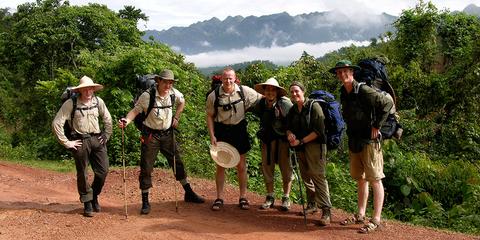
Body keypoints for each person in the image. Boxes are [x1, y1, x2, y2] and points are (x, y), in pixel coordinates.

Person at [118, 69, 205, 215]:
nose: (168, 85)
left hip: (167, 134)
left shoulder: (173, 94)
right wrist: (126, 121)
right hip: (150, 135)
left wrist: (176, 118)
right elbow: (135, 111)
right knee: (146, 167)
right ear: (158, 81)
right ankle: (145, 201)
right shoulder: (147, 96)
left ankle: (188, 193)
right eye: (165, 82)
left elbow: (182, 102)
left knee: (178, 163)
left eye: (170, 82)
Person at [329, 60, 393, 233]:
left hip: (370, 141)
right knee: (361, 178)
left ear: (352, 72)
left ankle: (376, 219)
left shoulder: (364, 90)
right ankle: (360, 214)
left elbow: (387, 104)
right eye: (339, 72)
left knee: (375, 178)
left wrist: (377, 125)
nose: (342, 75)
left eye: (345, 71)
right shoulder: (344, 91)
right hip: (355, 140)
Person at [52, 76, 112, 217]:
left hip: (97, 139)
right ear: (79, 90)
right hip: (79, 141)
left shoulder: (98, 101)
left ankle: (94, 195)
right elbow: (57, 123)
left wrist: (107, 135)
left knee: (103, 171)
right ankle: (87, 202)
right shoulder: (70, 103)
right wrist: (67, 142)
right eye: (85, 89)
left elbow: (107, 118)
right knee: (83, 173)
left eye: (90, 88)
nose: (88, 91)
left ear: (93, 89)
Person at [206, 66, 262, 211]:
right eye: (225, 78)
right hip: (222, 131)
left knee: (241, 166)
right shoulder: (214, 96)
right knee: (221, 165)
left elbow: (262, 99)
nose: (228, 81)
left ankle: (243, 197)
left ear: (235, 78)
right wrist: (212, 135)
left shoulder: (244, 91)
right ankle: (219, 198)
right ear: (221, 79)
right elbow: (210, 116)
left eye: (231, 78)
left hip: (239, 130)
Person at [286, 81, 332, 226]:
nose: (294, 94)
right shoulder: (293, 110)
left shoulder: (314, 107)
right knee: (306, 176)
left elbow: (319, 131)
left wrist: (301, 141)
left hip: (315, 146)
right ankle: (312, 205)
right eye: (292, 92)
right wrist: (290, 135)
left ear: (303, 92)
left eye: (296, 91)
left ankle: (326, 211)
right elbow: (287, 126)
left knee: (317, 176)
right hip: (301, 147)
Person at [252, 78, 294, 211]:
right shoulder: (261, 104)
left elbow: (293, 120)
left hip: (283, 141)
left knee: (286, 169)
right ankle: (270, 196)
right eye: (268, 89)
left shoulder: (285, 104)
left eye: (272, 89)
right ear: (264, 91)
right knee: (267, 168)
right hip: (267, 140)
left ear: (277, 92)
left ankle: (286, 197)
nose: (270, 92)